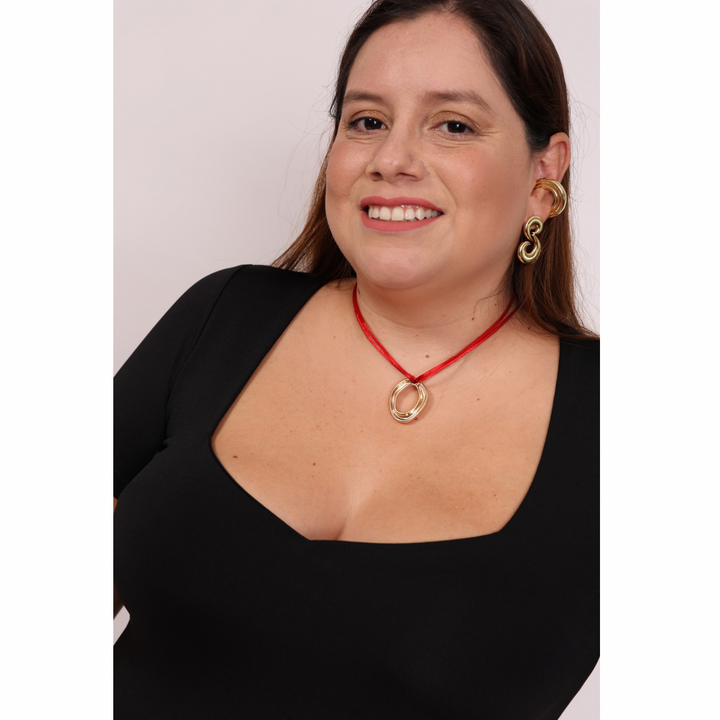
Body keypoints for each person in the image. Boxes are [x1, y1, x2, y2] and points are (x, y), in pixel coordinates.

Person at [114, 0, 598, 717]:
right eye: (367, 121)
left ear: (542, 174)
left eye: (453, 125)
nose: (390, 160)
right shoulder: (224, 316)